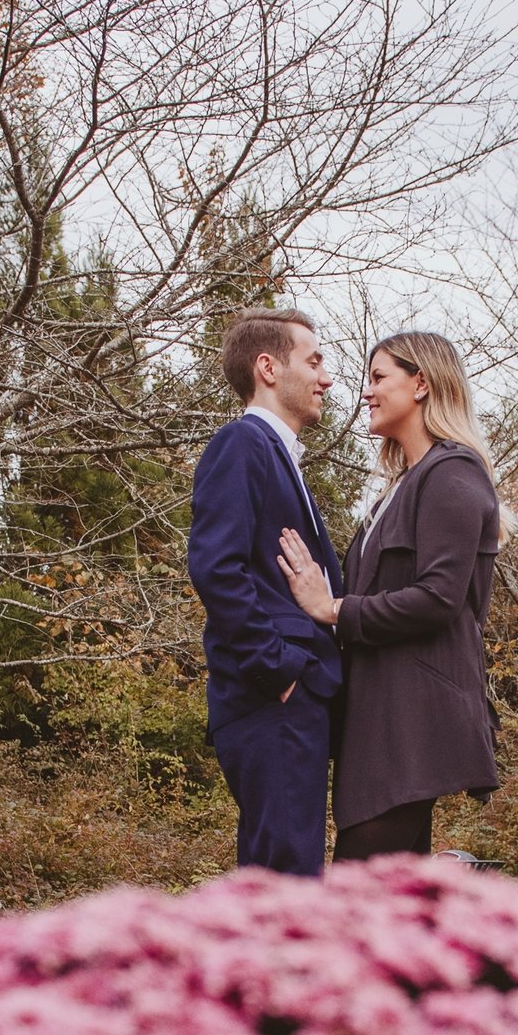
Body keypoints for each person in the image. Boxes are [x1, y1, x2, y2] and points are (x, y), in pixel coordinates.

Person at [275, 330, 500, 860]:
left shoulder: (451, 472)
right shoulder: (400, 486)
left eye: (379, 378)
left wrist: (334, 609)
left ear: (421, 383)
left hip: (413, 725)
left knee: (357, 898)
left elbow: (439, 598)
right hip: (381, 723)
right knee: (391, 910)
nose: (366, 392)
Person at [186, 307, 346, 875]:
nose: (326, 377)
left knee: (279, 872)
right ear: (268, 368)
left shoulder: (278, 454)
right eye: (314, 360)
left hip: (290, 700)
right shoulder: (242, 444)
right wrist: (276, 668)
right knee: (287, 878)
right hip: (270, 698)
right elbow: (215, 567)